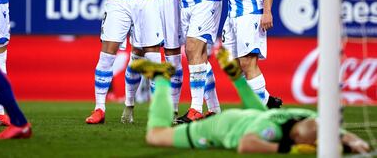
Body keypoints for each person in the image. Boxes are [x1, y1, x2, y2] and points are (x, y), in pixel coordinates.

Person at [129, 58, 371, 154]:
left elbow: (338, 133)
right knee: (156, 135)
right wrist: (288, 149)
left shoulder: (309, 118)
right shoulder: (274, 131)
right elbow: (247, 144)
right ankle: (161, 78)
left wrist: (354, 143)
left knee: (260, 112)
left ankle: (237, 79)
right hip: (223, 127)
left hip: (250, 116)